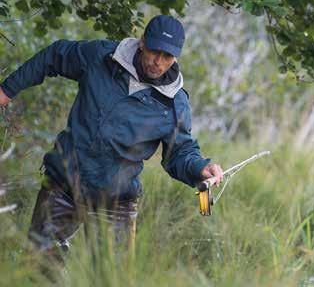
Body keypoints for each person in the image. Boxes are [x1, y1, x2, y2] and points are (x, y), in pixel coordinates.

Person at [0, 15, 223, 257]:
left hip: (117, 203)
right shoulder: (102, 58)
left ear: (175, 57)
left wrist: (200, 168)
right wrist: (6, 89)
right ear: (142, 42)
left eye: (167, 56)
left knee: (109, 280)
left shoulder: (174, 103)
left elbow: (179, 154)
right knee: (38, 265)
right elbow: (55, 55)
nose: (158, 62)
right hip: (63, 184)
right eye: (154, 52)